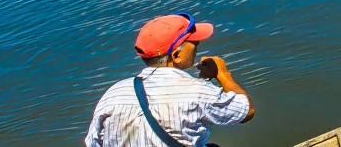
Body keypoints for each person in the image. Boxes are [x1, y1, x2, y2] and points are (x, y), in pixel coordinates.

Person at [85, 14, 253, 147]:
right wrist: (222, 74)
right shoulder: (196, 91)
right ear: (176, 55)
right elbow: (245, 112)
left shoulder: (113, 94)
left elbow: (92, 142)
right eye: (193, 43)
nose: (198, 43)